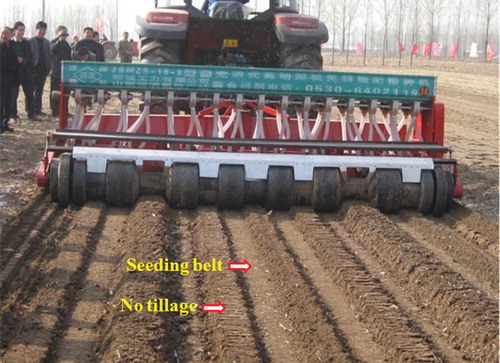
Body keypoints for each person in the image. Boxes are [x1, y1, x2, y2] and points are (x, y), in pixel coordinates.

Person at [11, 21, 37, 121]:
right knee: (14, 95)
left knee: (30, 94)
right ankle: (13, 115)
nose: (22, 32)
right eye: (20, 30)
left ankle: (31, 113)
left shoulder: (27, 43)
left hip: (26, 73)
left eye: (23, 30)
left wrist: (24, 61)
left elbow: (30, 57)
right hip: (15, 73)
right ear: (15, 31)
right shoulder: (11, 43)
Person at [29, 21, 51, 116]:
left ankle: (38, 109)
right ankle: (31, 110)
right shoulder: (30, 41)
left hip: (42, 69)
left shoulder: (46, 42)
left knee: (39, 91)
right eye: (40, 29)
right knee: (31, 91)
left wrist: (48, 68)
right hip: (33, 69)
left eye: (44, 30)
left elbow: (48, 56)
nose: (42, 31)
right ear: (36, 30)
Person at [1, 27, 20, 132]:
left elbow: (19, 58)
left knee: (9, 103)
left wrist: (22, 61)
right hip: (2, 79)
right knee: (1, 103)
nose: (4, 36)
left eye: (6, 33)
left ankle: (5, 123)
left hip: (12, 80)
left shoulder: (13, 46)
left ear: (11, 34)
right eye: (2, 33)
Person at [50, 25, 71, 118]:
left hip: (66, 71)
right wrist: (59, 39)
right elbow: (52, 50)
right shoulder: (54, 42)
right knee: (55, 91)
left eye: (65, 33)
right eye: (62, 33)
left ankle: (65, 110)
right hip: (56, 71)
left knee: (66, 91)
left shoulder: (66, 44)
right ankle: (55, 110)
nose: (64, 35)